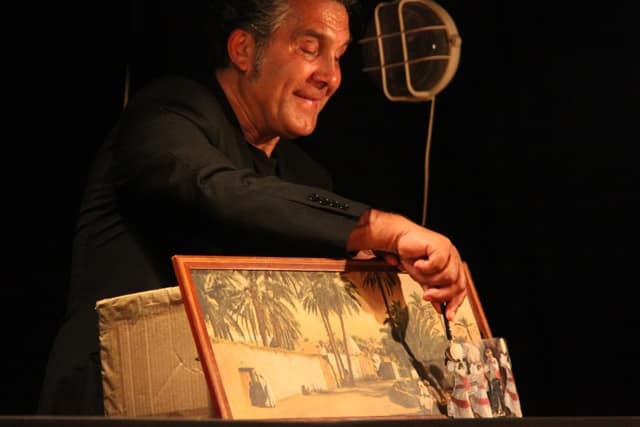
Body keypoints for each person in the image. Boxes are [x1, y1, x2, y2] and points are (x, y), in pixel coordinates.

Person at [38, 0, 467, 415]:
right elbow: (216, 190)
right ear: (243, 49)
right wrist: (376, 225)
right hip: (112, 399)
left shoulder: (307, 177)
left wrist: (387, 265)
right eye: (310, 48)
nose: (330, 77)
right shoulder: (167, 113)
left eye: (338, 56)